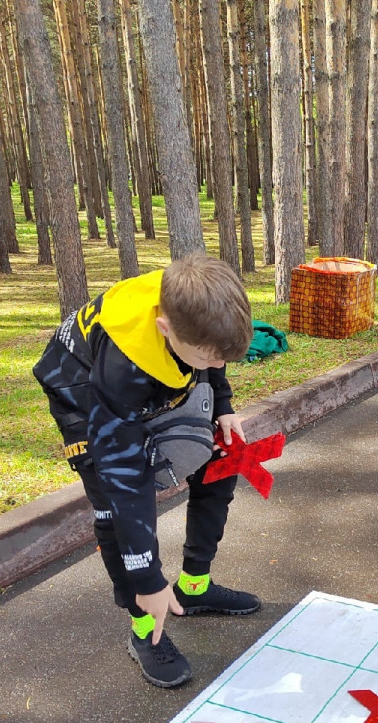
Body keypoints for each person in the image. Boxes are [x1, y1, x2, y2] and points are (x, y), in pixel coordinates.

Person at [33, 252, 262, 689]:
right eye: (208, 359)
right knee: (114, 508)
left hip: (154, 368)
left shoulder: (198, 309)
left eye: (223, 358)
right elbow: (126, 483)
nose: (217, 365)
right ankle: (145, 629)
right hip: (84, 394)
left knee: (221, 455)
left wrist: (224, 406)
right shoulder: (123, 369)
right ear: (165, 329)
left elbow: (216, 350)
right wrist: (148, 577)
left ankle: (194, 588)